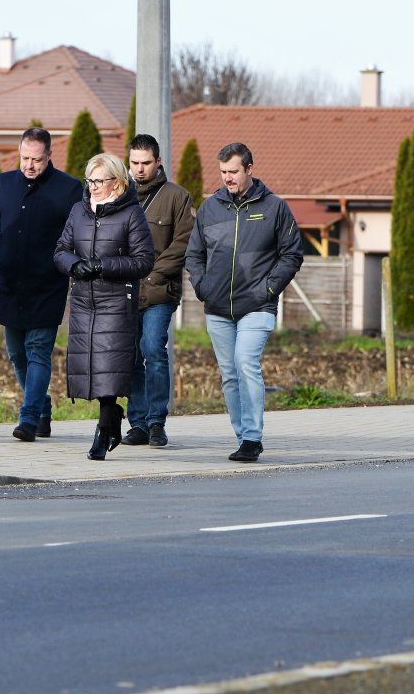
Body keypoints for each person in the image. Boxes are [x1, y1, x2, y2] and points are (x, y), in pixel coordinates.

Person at [184, 141, 304, 462]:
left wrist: (269, 289)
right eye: (223, 172)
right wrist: (202, 286)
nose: (228, 178)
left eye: (234, 171)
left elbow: (292, 253)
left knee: (245, 363)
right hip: (218, 307)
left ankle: (252, 436)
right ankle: (242, 437)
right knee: (229, 373)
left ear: (249, 169)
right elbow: (194, 254)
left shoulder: (275, 208)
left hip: (258, 305)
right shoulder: (210, 209)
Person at [52, 152, 154, 460]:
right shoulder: (78, 211)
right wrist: (74, 265)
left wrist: (103, 265)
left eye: (99, 181)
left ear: (118, 182)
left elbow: (143, 261)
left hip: (115, 300)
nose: (93, 186)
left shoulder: (132, 214)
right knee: (91, 366)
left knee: (109, 366)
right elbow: (60, 250)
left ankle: (103, 427)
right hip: (84, 300)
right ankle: (112, 417)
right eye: (90, 180)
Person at [0, 127, 79, 440]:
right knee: (17, 354)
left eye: (37, 160)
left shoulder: (69, 189)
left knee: (38, 351)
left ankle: (28, 419)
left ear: (49, 155)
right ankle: (41, 406)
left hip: (48, 286)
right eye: (25, 158)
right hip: (11, 285)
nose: (29, 165)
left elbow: (76, 236)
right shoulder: (3, 183)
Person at [121, 133, 194, 448]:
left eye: (146, 163)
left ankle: (156, 422)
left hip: (160, 291)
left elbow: (183, 244)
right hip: (124, 291)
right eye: (134, 163)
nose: (139, 169)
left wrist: (151, 276)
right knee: (131, 356)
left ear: (159, 161)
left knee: (152, 348)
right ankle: (136, 423)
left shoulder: (177, 197)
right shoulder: (119, 194)